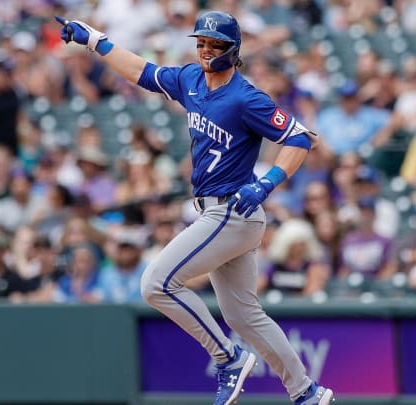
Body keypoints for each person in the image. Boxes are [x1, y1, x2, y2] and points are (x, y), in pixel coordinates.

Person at [56, 10, 333, 404]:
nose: (205, 49)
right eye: (201, 41)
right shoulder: (191, 79)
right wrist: (95, 41)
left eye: (214, 43)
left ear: (232, 49)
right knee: (243, 315)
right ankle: (306, 391)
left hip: (233, 209)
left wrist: (266, 183)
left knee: (156, 283)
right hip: (215, 212)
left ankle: (229, 359)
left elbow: (300, 139)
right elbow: (142, 71)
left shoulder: (245, 96)